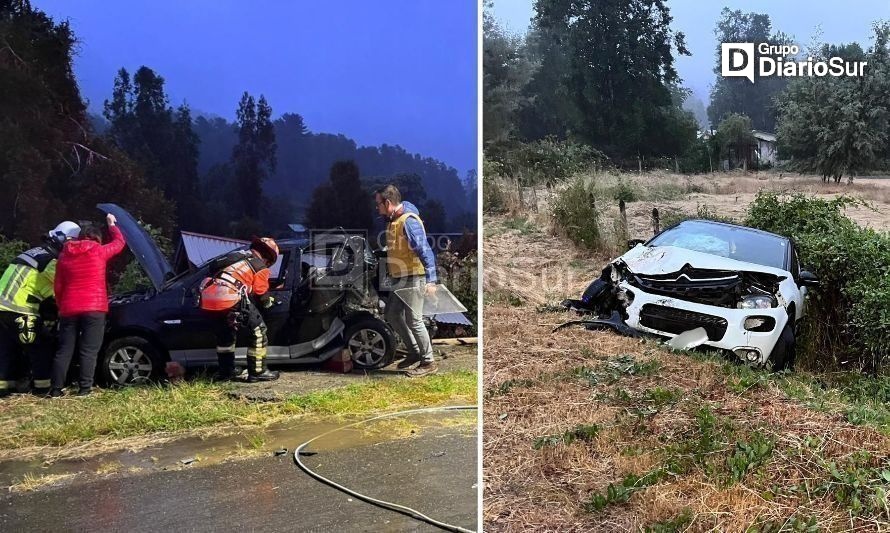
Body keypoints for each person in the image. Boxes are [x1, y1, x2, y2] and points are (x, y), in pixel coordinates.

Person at [0, 221, 80, 397]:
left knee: (8, 349)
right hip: (20, 309)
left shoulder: (35, 252)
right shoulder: (51, 262)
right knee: (40, 347)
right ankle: (42, 388)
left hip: (3, 308)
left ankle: (5, 388)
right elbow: (60, 290)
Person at [49, 214, 126, 397]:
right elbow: (120, 242)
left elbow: (58, 286)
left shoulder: (63, 256)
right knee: (89, 350)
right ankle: (84, 389)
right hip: (94, 308)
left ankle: (56, 390)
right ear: (97, 238)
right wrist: (111, 224)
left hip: (69, 308)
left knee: (64, 349)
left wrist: (62, 306)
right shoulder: (98, 251)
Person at [374, 184, 438, 377]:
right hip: (399, 278)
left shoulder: (408, 221)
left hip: (413, 276)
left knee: (414, 319)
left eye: (379, 204)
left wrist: (431, 280)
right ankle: (414, 353)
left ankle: (428, 362)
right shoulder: (394, 221)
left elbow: (425, 250)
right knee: (392, 315)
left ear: (388, 202)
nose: (377, 208)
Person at [199, 237, 280, 382]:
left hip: (209, 300)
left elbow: (212, 268)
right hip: (230, 297)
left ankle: (226, 372)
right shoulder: (260, 266)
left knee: (225, 335)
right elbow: (261, 294)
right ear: (269, 258)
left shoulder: (234, 258)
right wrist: (270, 303)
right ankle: (258, 371)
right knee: (259, 331)